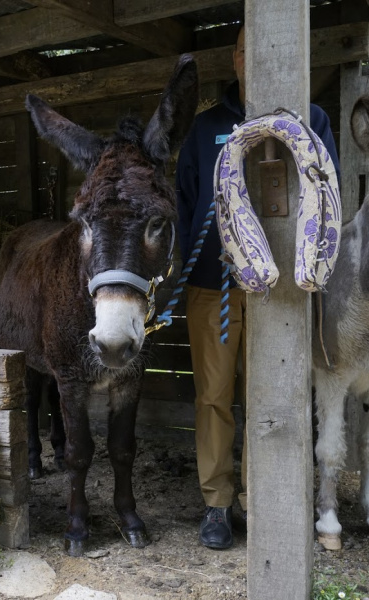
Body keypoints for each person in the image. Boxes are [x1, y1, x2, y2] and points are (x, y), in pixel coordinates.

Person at [175, 24, 340, 550]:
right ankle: (217, 504)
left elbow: (327, 198)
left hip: (285, 292)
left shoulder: (312, 122)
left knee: (275, 395)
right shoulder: (206, 129)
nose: (257, 59)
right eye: (248, 50)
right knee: (214, 397)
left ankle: (265, 497)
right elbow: (185, 202)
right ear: (236, 58)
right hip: (213, 286)